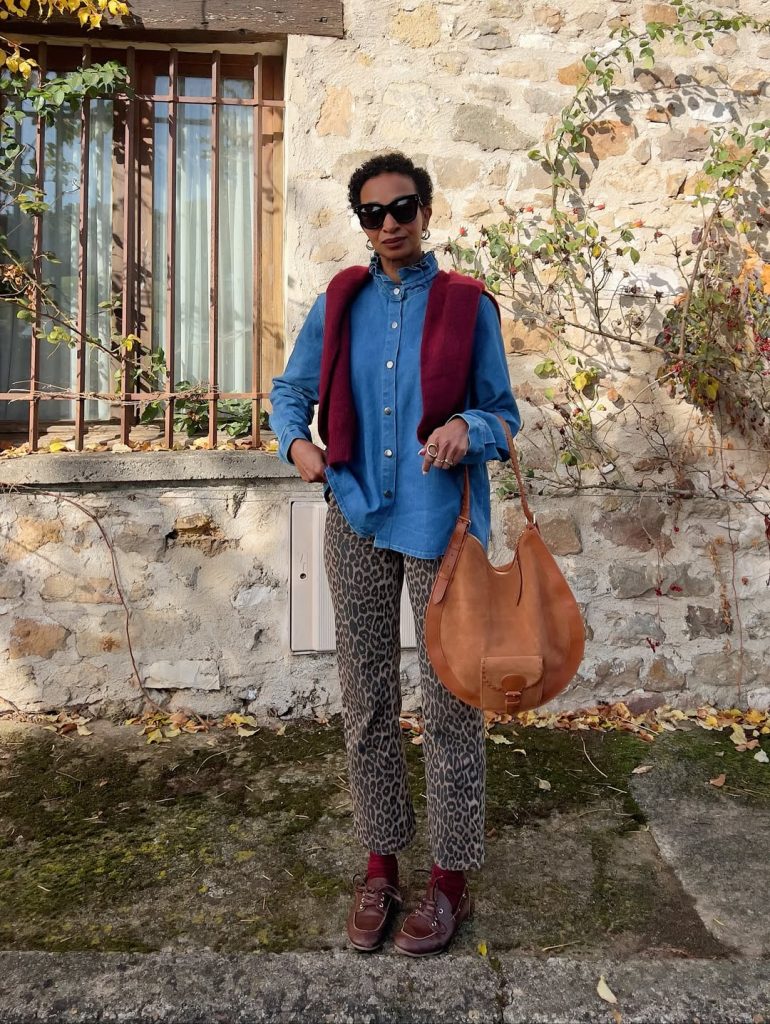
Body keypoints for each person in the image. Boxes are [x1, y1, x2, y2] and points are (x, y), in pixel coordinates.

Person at [270, 152, 520, 956]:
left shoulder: (467, 304)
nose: (390, 225)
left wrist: (467, 429)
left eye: (403, 208)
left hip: (440, 525)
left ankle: (449, 879)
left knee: (451, 701)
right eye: (373, 213)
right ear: (362, 223)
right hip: (356, 518)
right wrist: (296, 448)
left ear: (426, 211)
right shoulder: (339, 303)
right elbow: (288, 392)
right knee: (367, 694)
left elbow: (504, 416)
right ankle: (381, 865)